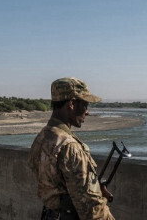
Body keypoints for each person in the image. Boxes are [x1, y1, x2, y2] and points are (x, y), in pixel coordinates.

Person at [28, 77, 115, 220]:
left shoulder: (42, 137)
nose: (87, 112)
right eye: (85, 105)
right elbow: (92, 210)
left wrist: (99, 193)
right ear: (72, 104)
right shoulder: (70, 147)